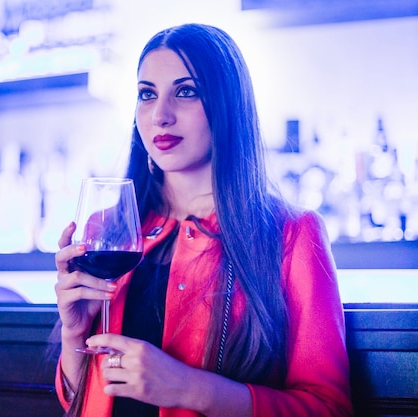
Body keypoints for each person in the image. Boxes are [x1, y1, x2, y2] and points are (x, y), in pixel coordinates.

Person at [53, 23, 353, 417]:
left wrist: (190, 388)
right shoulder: (110, 232)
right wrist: (74, 333)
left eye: (186, 91)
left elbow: (328, 409)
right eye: (147, 94)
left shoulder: (292, 236)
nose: (160, 115)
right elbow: (80, 399)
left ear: (227, 106)